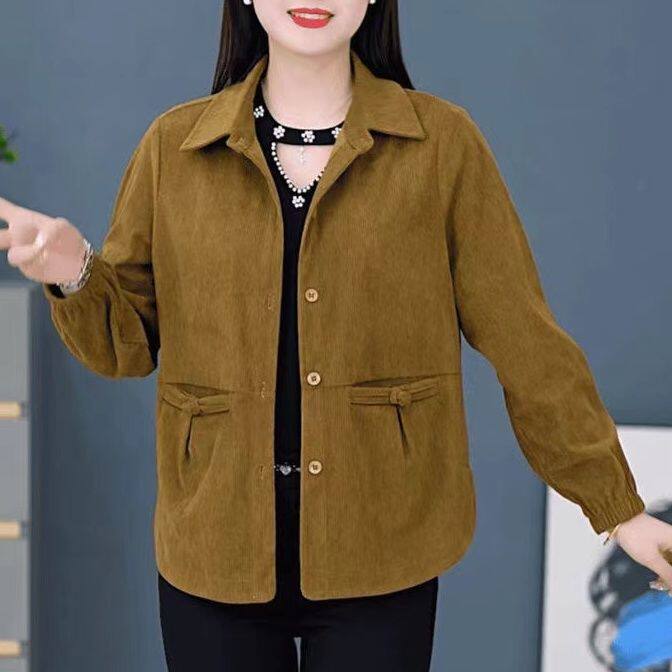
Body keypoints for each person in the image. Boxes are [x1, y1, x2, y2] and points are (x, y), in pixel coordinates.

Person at [2, 1, 671, 670]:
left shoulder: (442, 145)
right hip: (213, 545)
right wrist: (74, 271)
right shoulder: (172, 148)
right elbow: (124, 348)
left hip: (385, 544)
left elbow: (526, 339)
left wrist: (615, 506)